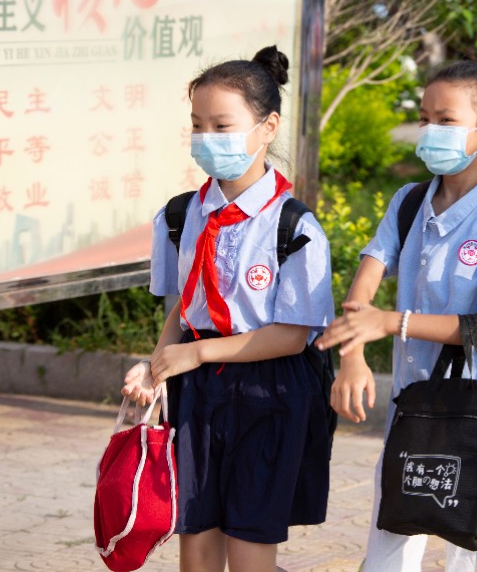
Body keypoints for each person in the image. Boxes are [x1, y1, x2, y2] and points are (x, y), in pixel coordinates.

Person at [315, 61, 477, 571]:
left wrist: (391, 322)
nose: (428, 132)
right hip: (416, 405)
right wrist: (353, 356)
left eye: (445, 120)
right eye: (424, 119)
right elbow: (365, 286)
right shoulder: (407, 204)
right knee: (387, 550)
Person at [120, 46, 335, 572]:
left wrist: (195, 355)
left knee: (250, 541)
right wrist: (156, 365)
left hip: (271, 391)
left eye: (223, 125)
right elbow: (184, 309)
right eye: (198, 125)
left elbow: (292, 335)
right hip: (199, 391)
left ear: (268, 127)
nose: (207, 139)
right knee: (195, 533)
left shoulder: (295, 227)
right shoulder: (178, 216)